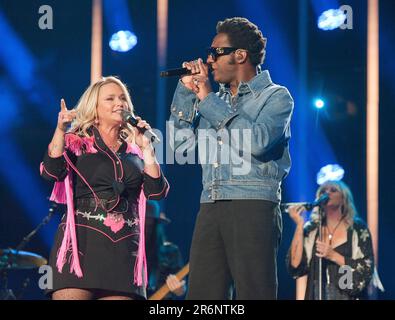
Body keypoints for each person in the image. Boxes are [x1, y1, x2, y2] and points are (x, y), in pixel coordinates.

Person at [169, 17, 294, 299]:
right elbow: (178, 148)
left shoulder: (276, 97)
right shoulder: (212, 100)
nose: (209, 60)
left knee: (253, 292)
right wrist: (186, 93)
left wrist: (208, 100)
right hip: (210, 203)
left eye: (216, 52)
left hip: (252, 203)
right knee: (203, 296)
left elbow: (258, 141)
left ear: (240, 55)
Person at [40, 76, 169, 300]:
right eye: (110, 99)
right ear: (94, 109)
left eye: (123, 99)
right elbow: (50, 172)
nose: (119, 103)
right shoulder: (75, 143)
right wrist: (61, 130)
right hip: (80, 249)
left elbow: (156, 192)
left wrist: (147, 149)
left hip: (123, 252)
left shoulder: (135, 153)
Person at [287, 180, 377, 300]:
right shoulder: (312, 229)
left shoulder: (358, 229)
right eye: (323, 191)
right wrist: (299, 225)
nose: (327, 193)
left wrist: (333, 255)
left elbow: (366, 270)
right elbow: (295, 266)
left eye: (333, 190)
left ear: (343, 198)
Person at [145, 200, 186, 299]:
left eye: (150, 224)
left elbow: (182, 288)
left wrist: (179, 289)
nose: (146, 228)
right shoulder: (126, 251)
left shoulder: (171, 251)